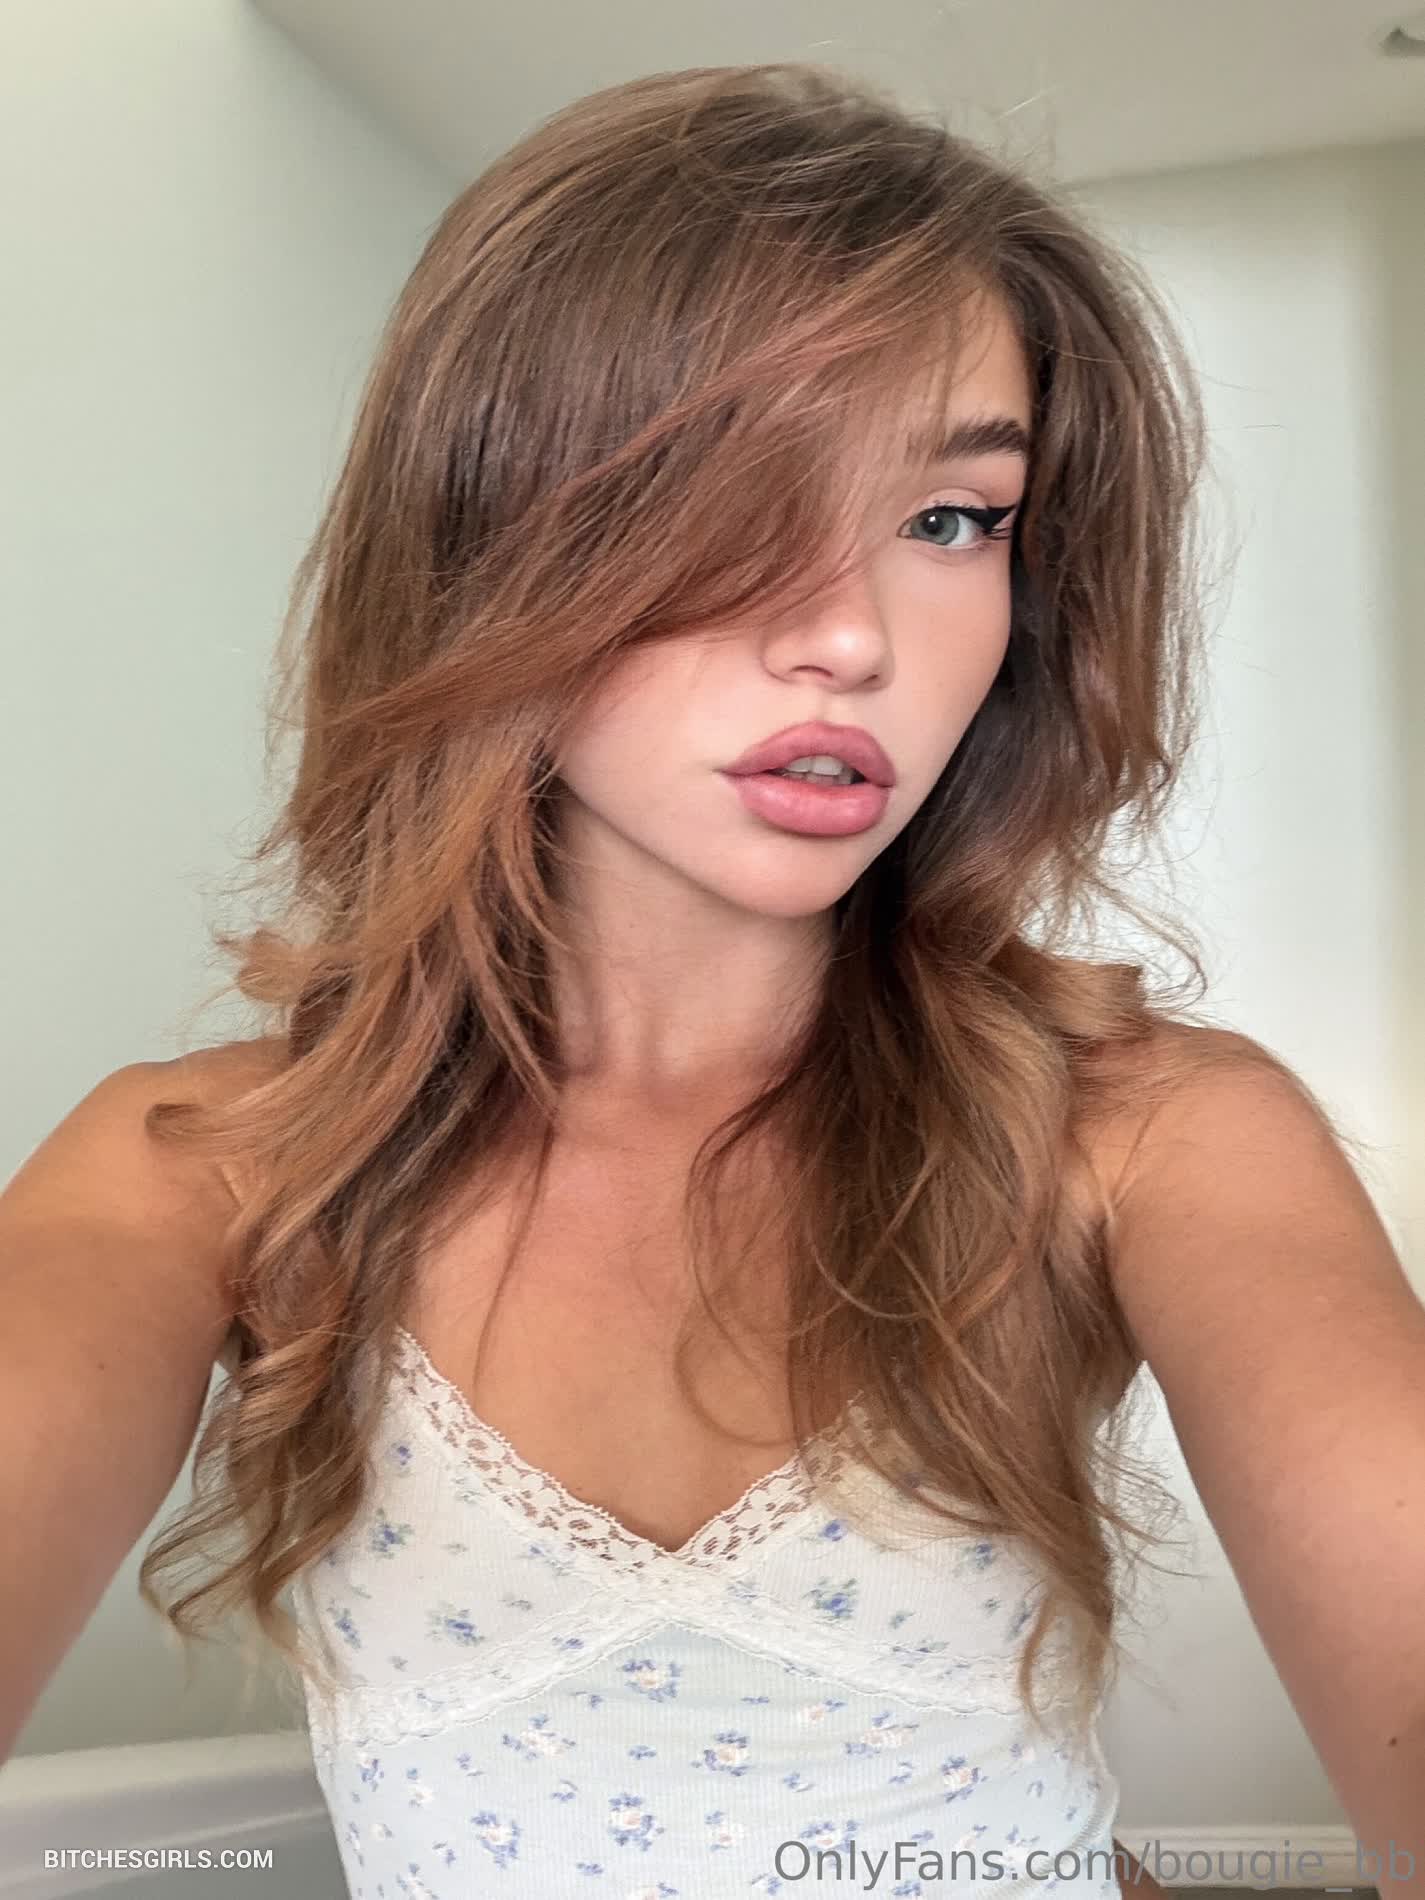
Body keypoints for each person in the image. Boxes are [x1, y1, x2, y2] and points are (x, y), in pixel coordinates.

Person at [4, 59, 1423, 1900]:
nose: (849, 636)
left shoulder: (1149, 1134)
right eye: (728, 489)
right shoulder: (201, 1175)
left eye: (950, 519)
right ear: (484, 534)